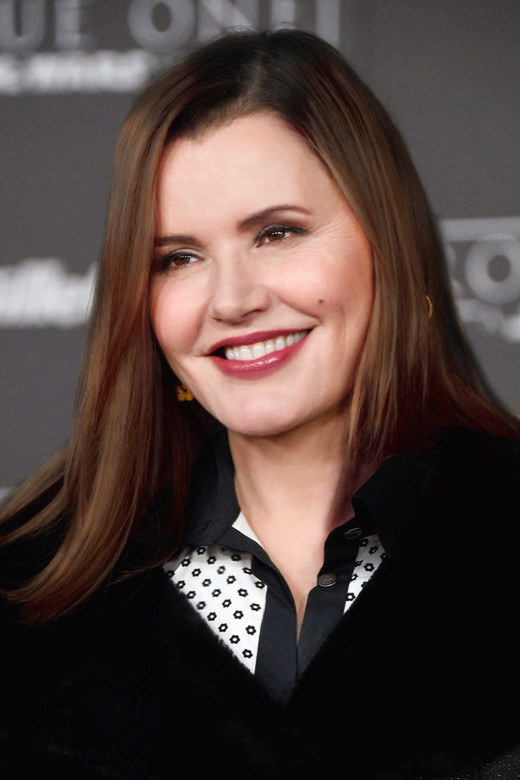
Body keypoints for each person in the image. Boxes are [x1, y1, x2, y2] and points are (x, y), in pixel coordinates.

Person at [1, 28, 519, 780]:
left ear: (389, 245)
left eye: (277, 233)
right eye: (178, 258)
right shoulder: (26, 598)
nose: (232, 300)